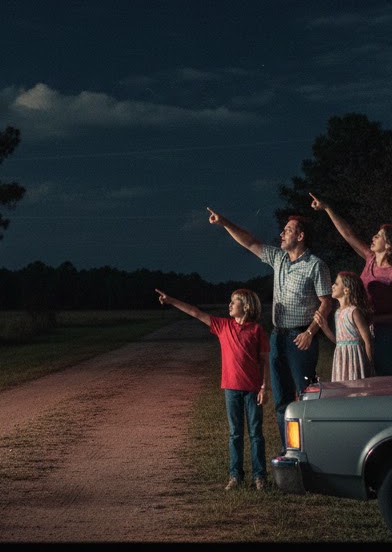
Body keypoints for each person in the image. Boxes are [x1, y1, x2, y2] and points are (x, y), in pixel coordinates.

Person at [207, 207, 333, 449]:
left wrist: (311, 332)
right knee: (281, 400)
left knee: (305, 396)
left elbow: (326, 302)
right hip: (278, 337)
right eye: (283, 231)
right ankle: (288, 451)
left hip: (301, 338)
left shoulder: (316, 266)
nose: (282, 235)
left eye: (288, 231)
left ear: (301, 236)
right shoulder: (279, 258)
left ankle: (311, 450)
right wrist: (224, 223)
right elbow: (250, 243)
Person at [155, 286, 270, 491]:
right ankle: (235, 476)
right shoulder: (223, 326)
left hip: (252, 389)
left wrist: (264, 387)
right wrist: (172, 301)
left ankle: (259, 476)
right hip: (231, 388)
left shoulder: (256, 330)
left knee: (255, 434)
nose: (230, 305)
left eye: (234, 301)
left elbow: (264, 362)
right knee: (235, 433)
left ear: (245, 306)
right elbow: (195, 312)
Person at [308, 194, 392, 376]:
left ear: (389, 245)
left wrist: (374, 319)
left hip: (384, 337)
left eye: (378, 236)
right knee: (364, 383)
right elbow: (348, 234)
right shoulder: (370, 259)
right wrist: (327, 209)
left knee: (385, 387)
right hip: (361, 333)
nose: (373, 237)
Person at [313, 270, 374, 381]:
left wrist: (369, 365)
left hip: (355, 358)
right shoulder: (338, 312)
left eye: (336, 284)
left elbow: (367, 341)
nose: (332, 286)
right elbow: (339, 341)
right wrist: (324, 326)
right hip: (341, 358)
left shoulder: (354, 312)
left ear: (346, 290)